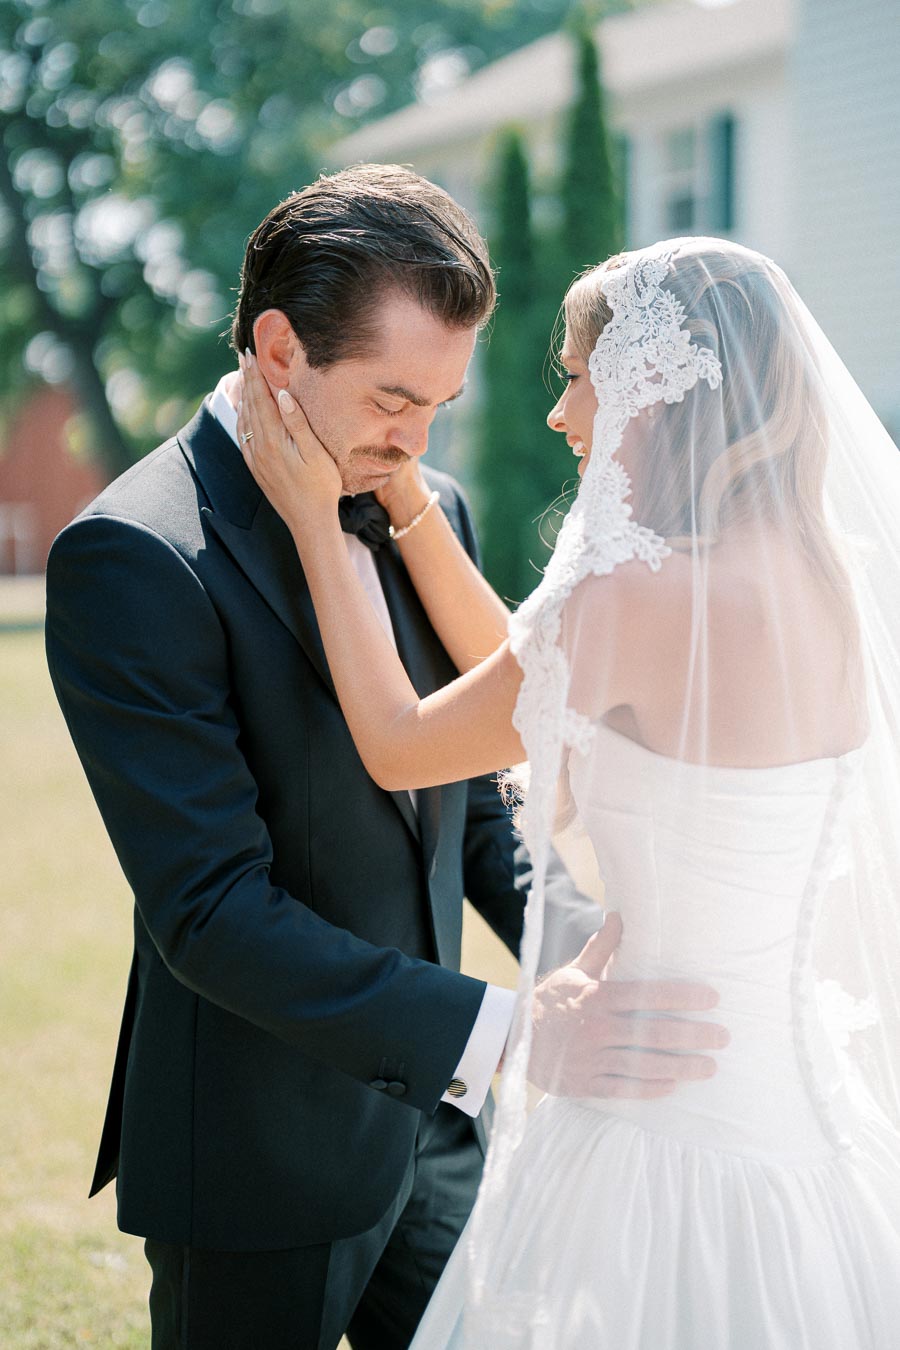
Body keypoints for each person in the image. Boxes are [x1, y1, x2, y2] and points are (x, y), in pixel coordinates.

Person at [44, 168, 726, 1350]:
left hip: (438, 1134)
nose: (413, 440)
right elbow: (208, 911)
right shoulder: (132, 555)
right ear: (278, 347)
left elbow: (469, 809)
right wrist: (512, 1031)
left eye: (439, 406)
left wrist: (585, 962)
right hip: (261, 1161)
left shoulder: (426, 506)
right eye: (391, 397)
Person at [237, 234, 900, 1347]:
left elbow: (406, 741)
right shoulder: (825, 578)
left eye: (579, 377)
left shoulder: (629, 597)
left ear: (656, 389)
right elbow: (543, 677)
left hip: (659, 1107)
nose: (563, 414)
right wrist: (407, 503)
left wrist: (316, 524)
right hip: (802, 1111)